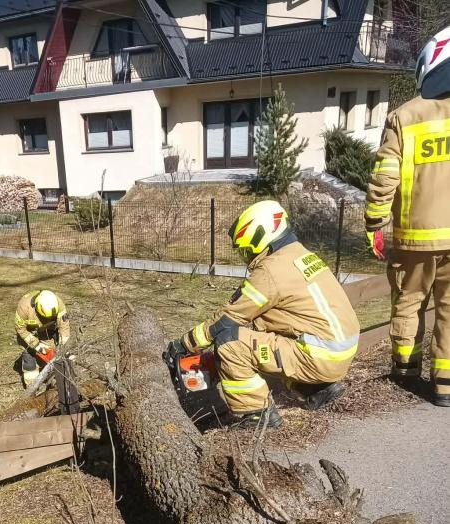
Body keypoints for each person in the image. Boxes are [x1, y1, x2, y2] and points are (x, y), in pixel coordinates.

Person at [168, 200, 360, 428]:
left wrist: (185, 344)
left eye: (247, 250)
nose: (247, 257)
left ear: (261, 238)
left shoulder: (270, 270)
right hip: (339, 351)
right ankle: (319, 388)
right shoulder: (300, 254)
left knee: (229, 343)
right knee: (271, 339)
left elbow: (228, 319)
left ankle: (257, 414)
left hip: (320, 356)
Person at [364, 26, 450, 407]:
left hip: (415, 237)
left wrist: (374, 224)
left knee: (409, 300)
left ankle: (405, 370)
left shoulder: (405, 117)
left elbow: (384, 177)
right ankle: (445, 385)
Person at [14, 289, 70, 387]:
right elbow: (21, 329)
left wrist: (63, 343)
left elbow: (64, 325)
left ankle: (55, 380)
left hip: (47, 329)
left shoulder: (58, 304)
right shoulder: (24, 307)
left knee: (51, 353)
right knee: (29, 356)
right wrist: (35, 345)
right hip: (29, 332)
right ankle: (31, 386)